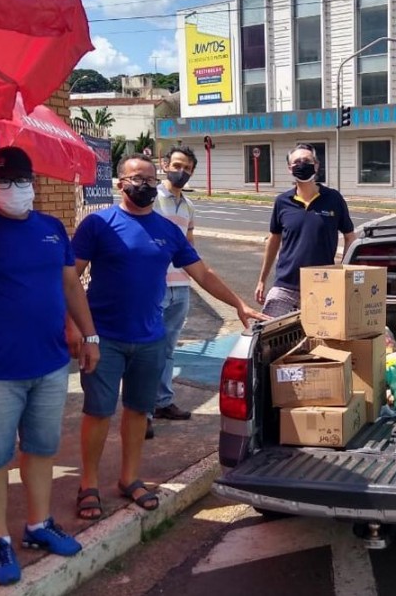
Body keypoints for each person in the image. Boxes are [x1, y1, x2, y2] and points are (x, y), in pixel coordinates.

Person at [0, 146, 101, 586]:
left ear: (34, 183)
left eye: (21, 181)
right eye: (4, 182)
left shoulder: (50, 229)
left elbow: (70, 285)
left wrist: (89, 334)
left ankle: (38, 524)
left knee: (42, 449)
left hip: (48, 365)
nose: (14, 189)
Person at [69, 153, 265, 522]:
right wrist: (76, 328)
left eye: (148, 177)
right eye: (135, 178)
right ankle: (88, 484)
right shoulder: (98, 224)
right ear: (119, 183)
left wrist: (238, 303)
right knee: (97, 412)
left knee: (139, 411)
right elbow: (70, 278)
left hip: (150, 338)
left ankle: (129, 478)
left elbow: (202, 273)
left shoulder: (167, 230)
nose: (143, 184)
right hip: (103, 338)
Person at [256, 144, 357, 317]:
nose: (302, 164)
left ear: (316, 165)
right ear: (290, 169)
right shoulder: (282, 201)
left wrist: (343, 272)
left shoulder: (333, 199)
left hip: (322, 285)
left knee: (318, 340)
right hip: (285, 286)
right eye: (297, 162)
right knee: (268, 335)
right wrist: (262, 280)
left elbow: (350, 237)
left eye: (307, 161)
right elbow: (273, 241)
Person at [146, 145, 199, 439]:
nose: (182, 171)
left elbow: (190, 246)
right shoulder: (152, 201)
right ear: (165, 164)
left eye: (188, 168)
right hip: (156, 285)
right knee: (147, 350)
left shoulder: (188, 206)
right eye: (178, 165)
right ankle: (142, 412)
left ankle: (163, 402)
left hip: (182, 285)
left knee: (167, 349)